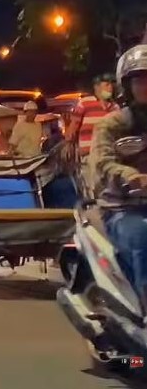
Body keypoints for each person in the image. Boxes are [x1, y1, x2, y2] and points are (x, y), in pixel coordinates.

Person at [87, 44, 147, 302]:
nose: (146, 86)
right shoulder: (112, 124)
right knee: (142, 237)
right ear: (128, 86)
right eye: (141, 81)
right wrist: (129, 175)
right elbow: (102, 162)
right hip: (122, 208)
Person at [70, 73, 120, 160]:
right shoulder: (84, 103)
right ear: (97, 87)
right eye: (107, 85)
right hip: (88, 154)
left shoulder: (115, 107)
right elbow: (73, 127)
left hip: (107, 153)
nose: (110, 88)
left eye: (111, 85)